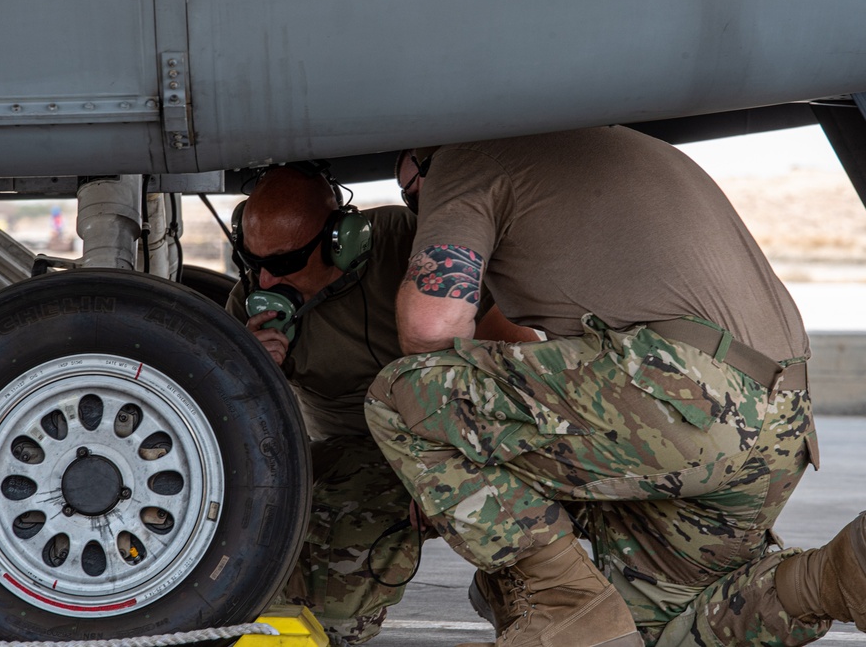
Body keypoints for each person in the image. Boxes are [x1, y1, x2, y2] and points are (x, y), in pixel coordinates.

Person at [365, 127, 866, 647]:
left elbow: (432, 326)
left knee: (403, 394)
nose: (415, 206)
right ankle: (837, 576)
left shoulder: (460, 154)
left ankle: (565, 604)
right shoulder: (616, 145)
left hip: (679, 399)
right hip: (781, 417)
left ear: (417, 159)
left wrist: (442, 468)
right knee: (650, 629)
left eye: (409, 193)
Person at [226, 166, 537, 645]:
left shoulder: (410, 248)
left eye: (285, 263)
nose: (266, 276)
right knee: (330, 619)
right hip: (350, 451)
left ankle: (524, 583)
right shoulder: (255, 299)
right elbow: (232, 431)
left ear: (339, 239)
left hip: (454, 434)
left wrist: (446, 465)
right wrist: (251, 368)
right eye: (252, 258)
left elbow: (516, 362)